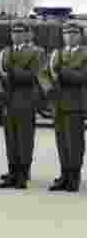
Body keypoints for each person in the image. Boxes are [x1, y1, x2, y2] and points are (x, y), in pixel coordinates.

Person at [0, 22, 44, 189]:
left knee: (24, 140)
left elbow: (34, 75)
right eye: (13, 32)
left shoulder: (36, 52)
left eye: (20, 32)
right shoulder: (6, 52)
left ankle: (23, 174)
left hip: (25, 100)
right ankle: (12, 173)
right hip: (9, 100)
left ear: (27, 34)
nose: (16, 35)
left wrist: (13, 72)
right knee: (11, 139)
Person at [47, 21, 87, 192]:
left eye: (74, 33)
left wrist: (61, 71)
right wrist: (49, 87)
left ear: (81, 36)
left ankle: (74, 177)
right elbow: (45, 73)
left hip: (75, 104)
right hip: (59, 103)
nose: (69, 37)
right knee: (62, 142)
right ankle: (64, 175)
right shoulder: (58, 53)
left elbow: (81, 77)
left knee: (74, 143)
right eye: (66, 34)